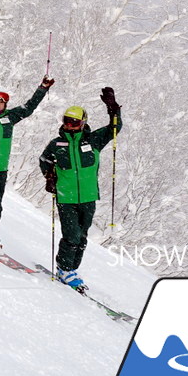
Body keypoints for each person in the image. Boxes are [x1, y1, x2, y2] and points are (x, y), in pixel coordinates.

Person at [38, 89, 122, 291]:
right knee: (72, 235)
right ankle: (64, 269)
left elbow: (115, 128)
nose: (70, 125)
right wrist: (50, 176)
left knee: (82, 236)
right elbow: (44, 160)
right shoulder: (57, 144)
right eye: (67, 121)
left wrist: (113, 107)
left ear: (83, 123)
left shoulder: (93, 140)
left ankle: (71, 269)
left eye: (74, 122)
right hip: (66, 197)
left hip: (88, 197)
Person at [0, 61, 54, 250]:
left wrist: (42, 89)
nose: (0, 105)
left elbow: (28, 108)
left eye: (3, 102)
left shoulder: (9, 118)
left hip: (0, 169)